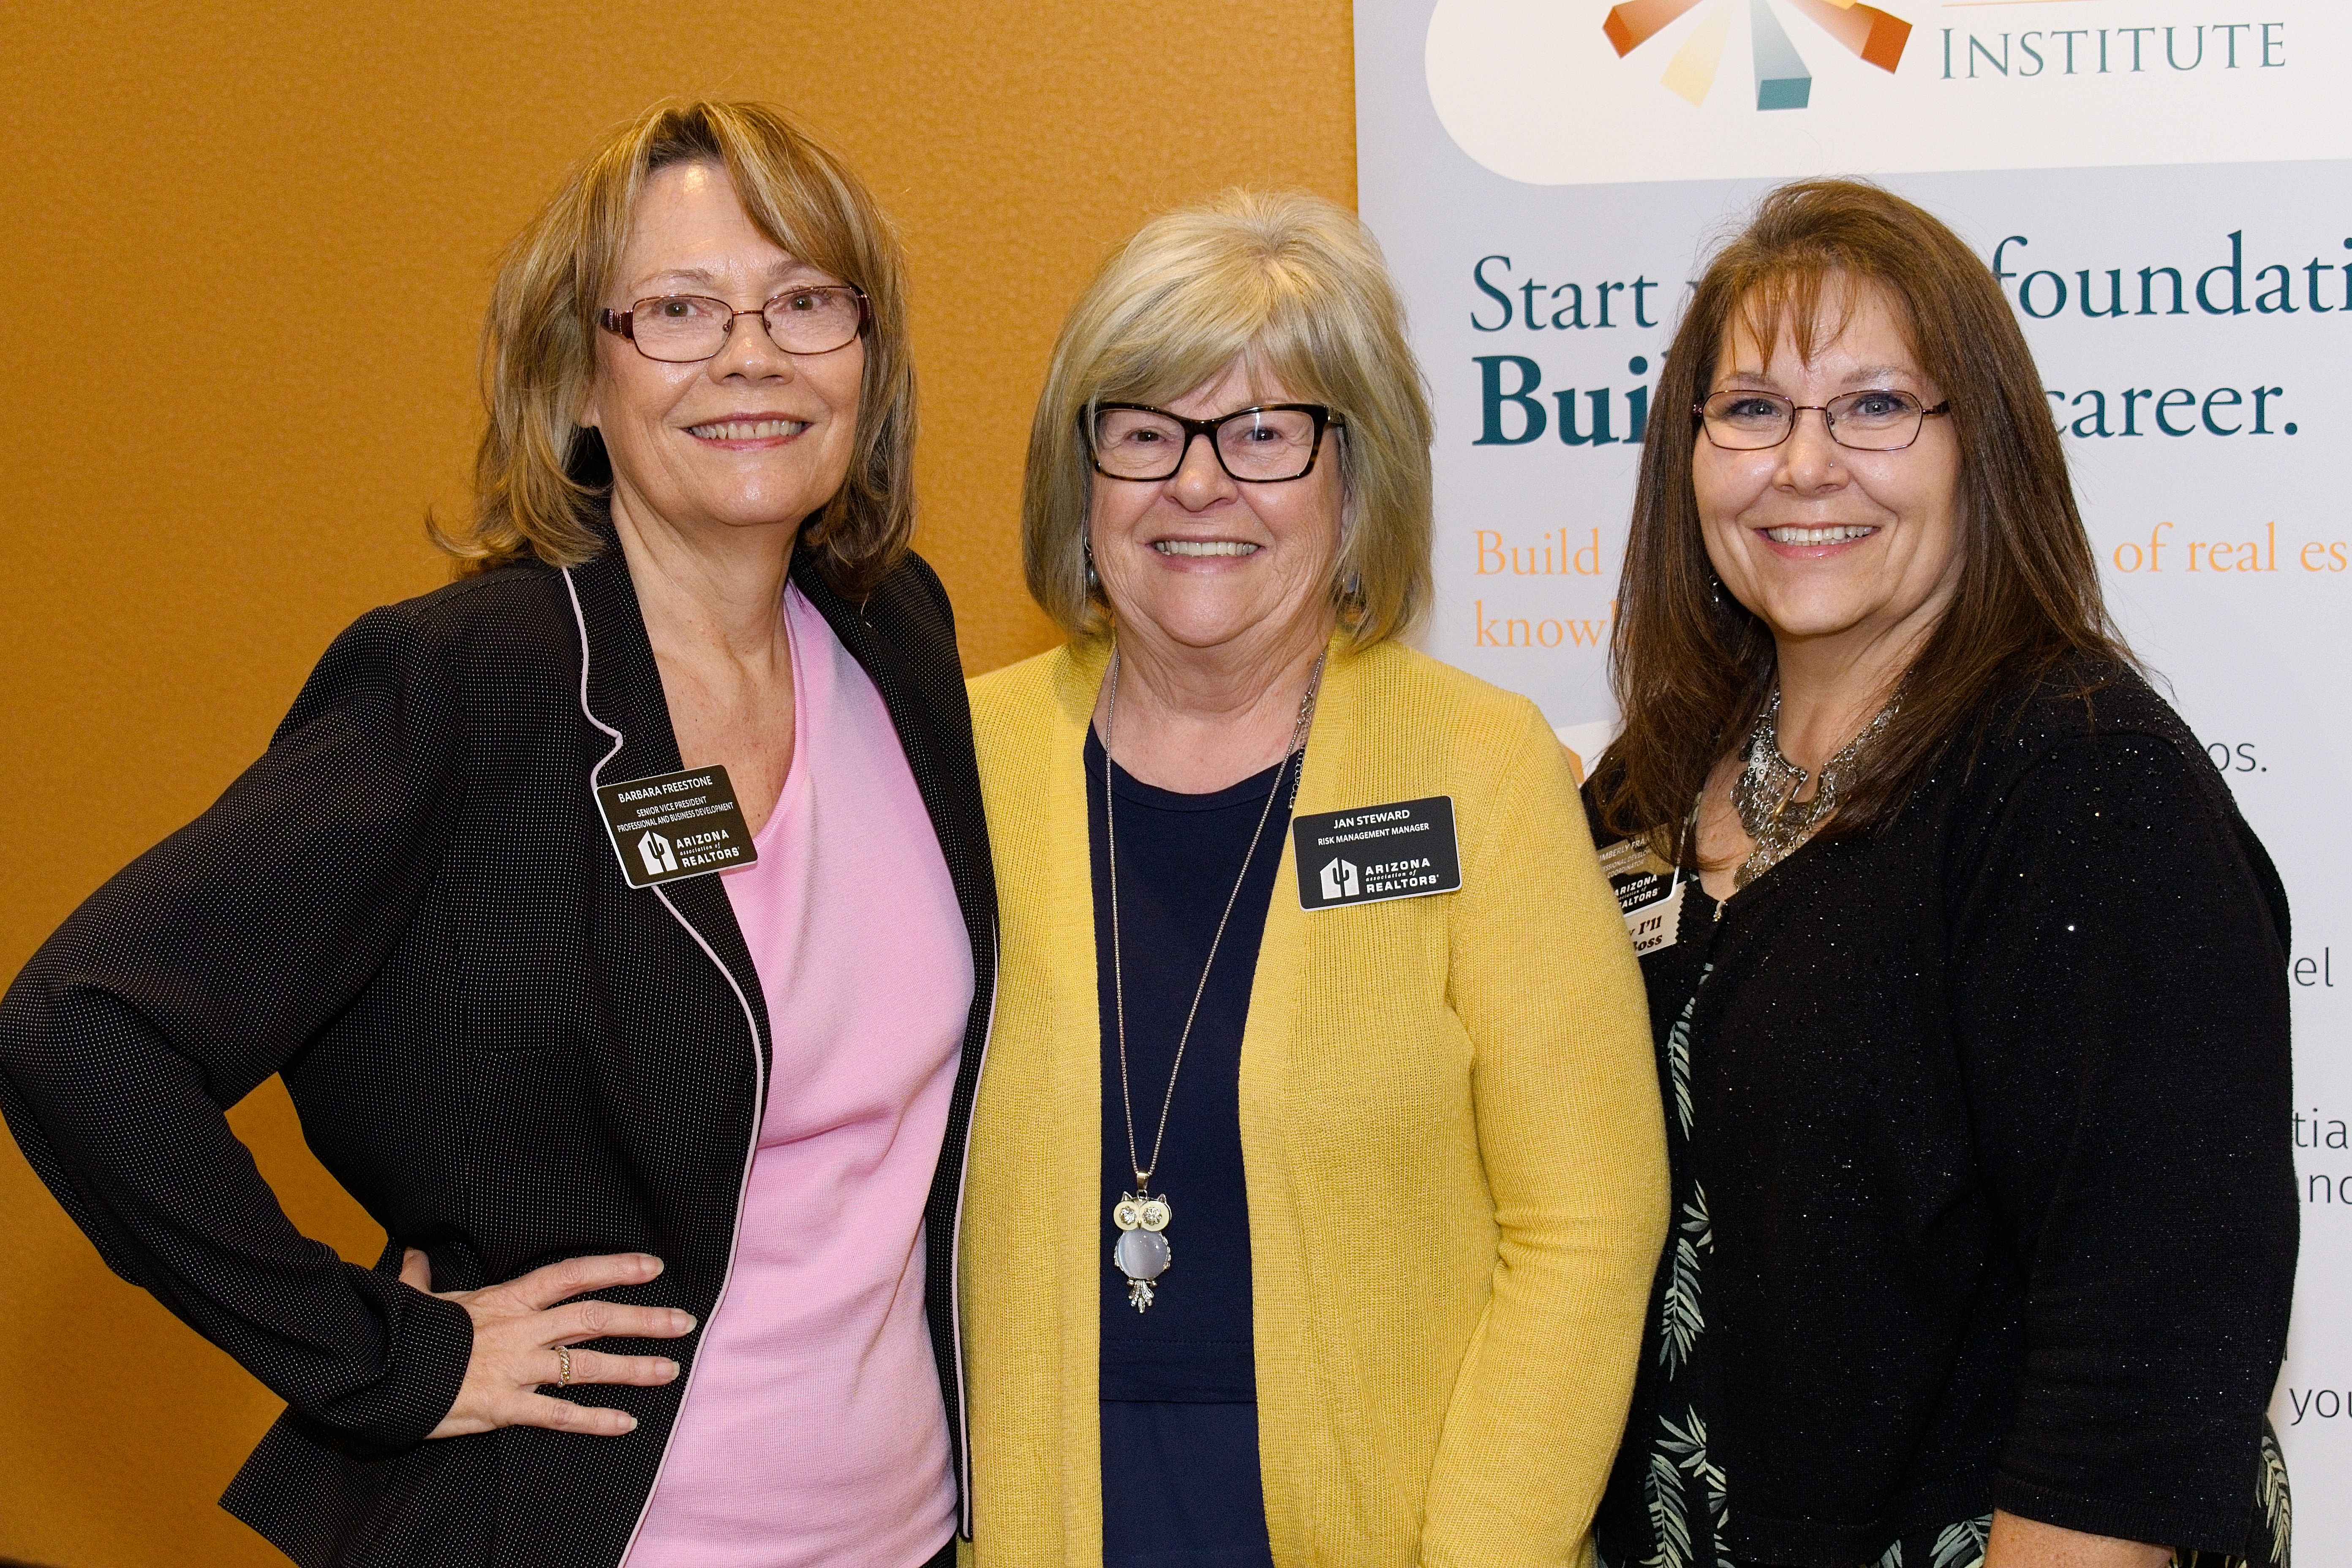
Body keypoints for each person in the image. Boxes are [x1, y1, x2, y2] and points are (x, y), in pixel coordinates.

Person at [0, 101, 991, 1568]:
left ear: (866, 355)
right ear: (579, 377)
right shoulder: (470, 683)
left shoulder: (894, 633)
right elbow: (78, 1030)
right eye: (678, 310)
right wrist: (381, 1354)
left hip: (908, 1532)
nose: (752, 355)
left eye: (804, 302)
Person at [1584, 180, 2295, 1568]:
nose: (1804, 465)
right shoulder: (1644, 786)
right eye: (1752, 410)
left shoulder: (2083, 782)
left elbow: (2151, 1346)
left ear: (1986, 447)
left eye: (1875, 406)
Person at [957, 189, 1667, 1568]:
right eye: (1144, 431)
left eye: (1266, 434)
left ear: (1358, 477)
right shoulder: (953, 760)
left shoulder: (1478, 767)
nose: (1198, 484)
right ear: (1078, 475)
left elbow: (1588, 1222)